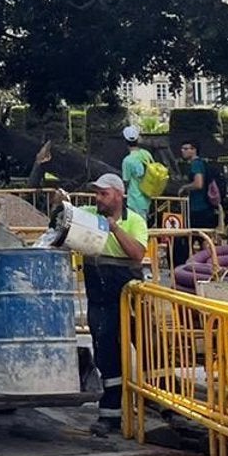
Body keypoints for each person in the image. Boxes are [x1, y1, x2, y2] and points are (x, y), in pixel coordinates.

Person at [77, 171, 148, 437]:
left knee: (147, 347)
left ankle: (164, 406)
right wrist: (59, 206)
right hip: (100, 297)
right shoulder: (89, 214)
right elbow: (66, 219)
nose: (98, 198)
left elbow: (137, 254)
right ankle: (110, 415)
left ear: (119, 195)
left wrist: (115, 228)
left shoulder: (135, 221)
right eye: (96, 193)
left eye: (104, 194)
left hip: (129, 295)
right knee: (105, 353)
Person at [176, 141, 221, 230]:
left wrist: (184, 187)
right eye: (182, 149)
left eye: (186, 149)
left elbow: (198, 184)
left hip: (198, 207)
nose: (182, 151)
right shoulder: (201, 162)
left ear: (194, 150)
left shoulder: (196, 164)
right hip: (205, 206)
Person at [120, 126, 155, 221]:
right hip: (147, 198)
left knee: (137, 226)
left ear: (125, 141)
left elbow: (126, 181)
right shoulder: (146, 154)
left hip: (134, 200)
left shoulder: (127, 161)